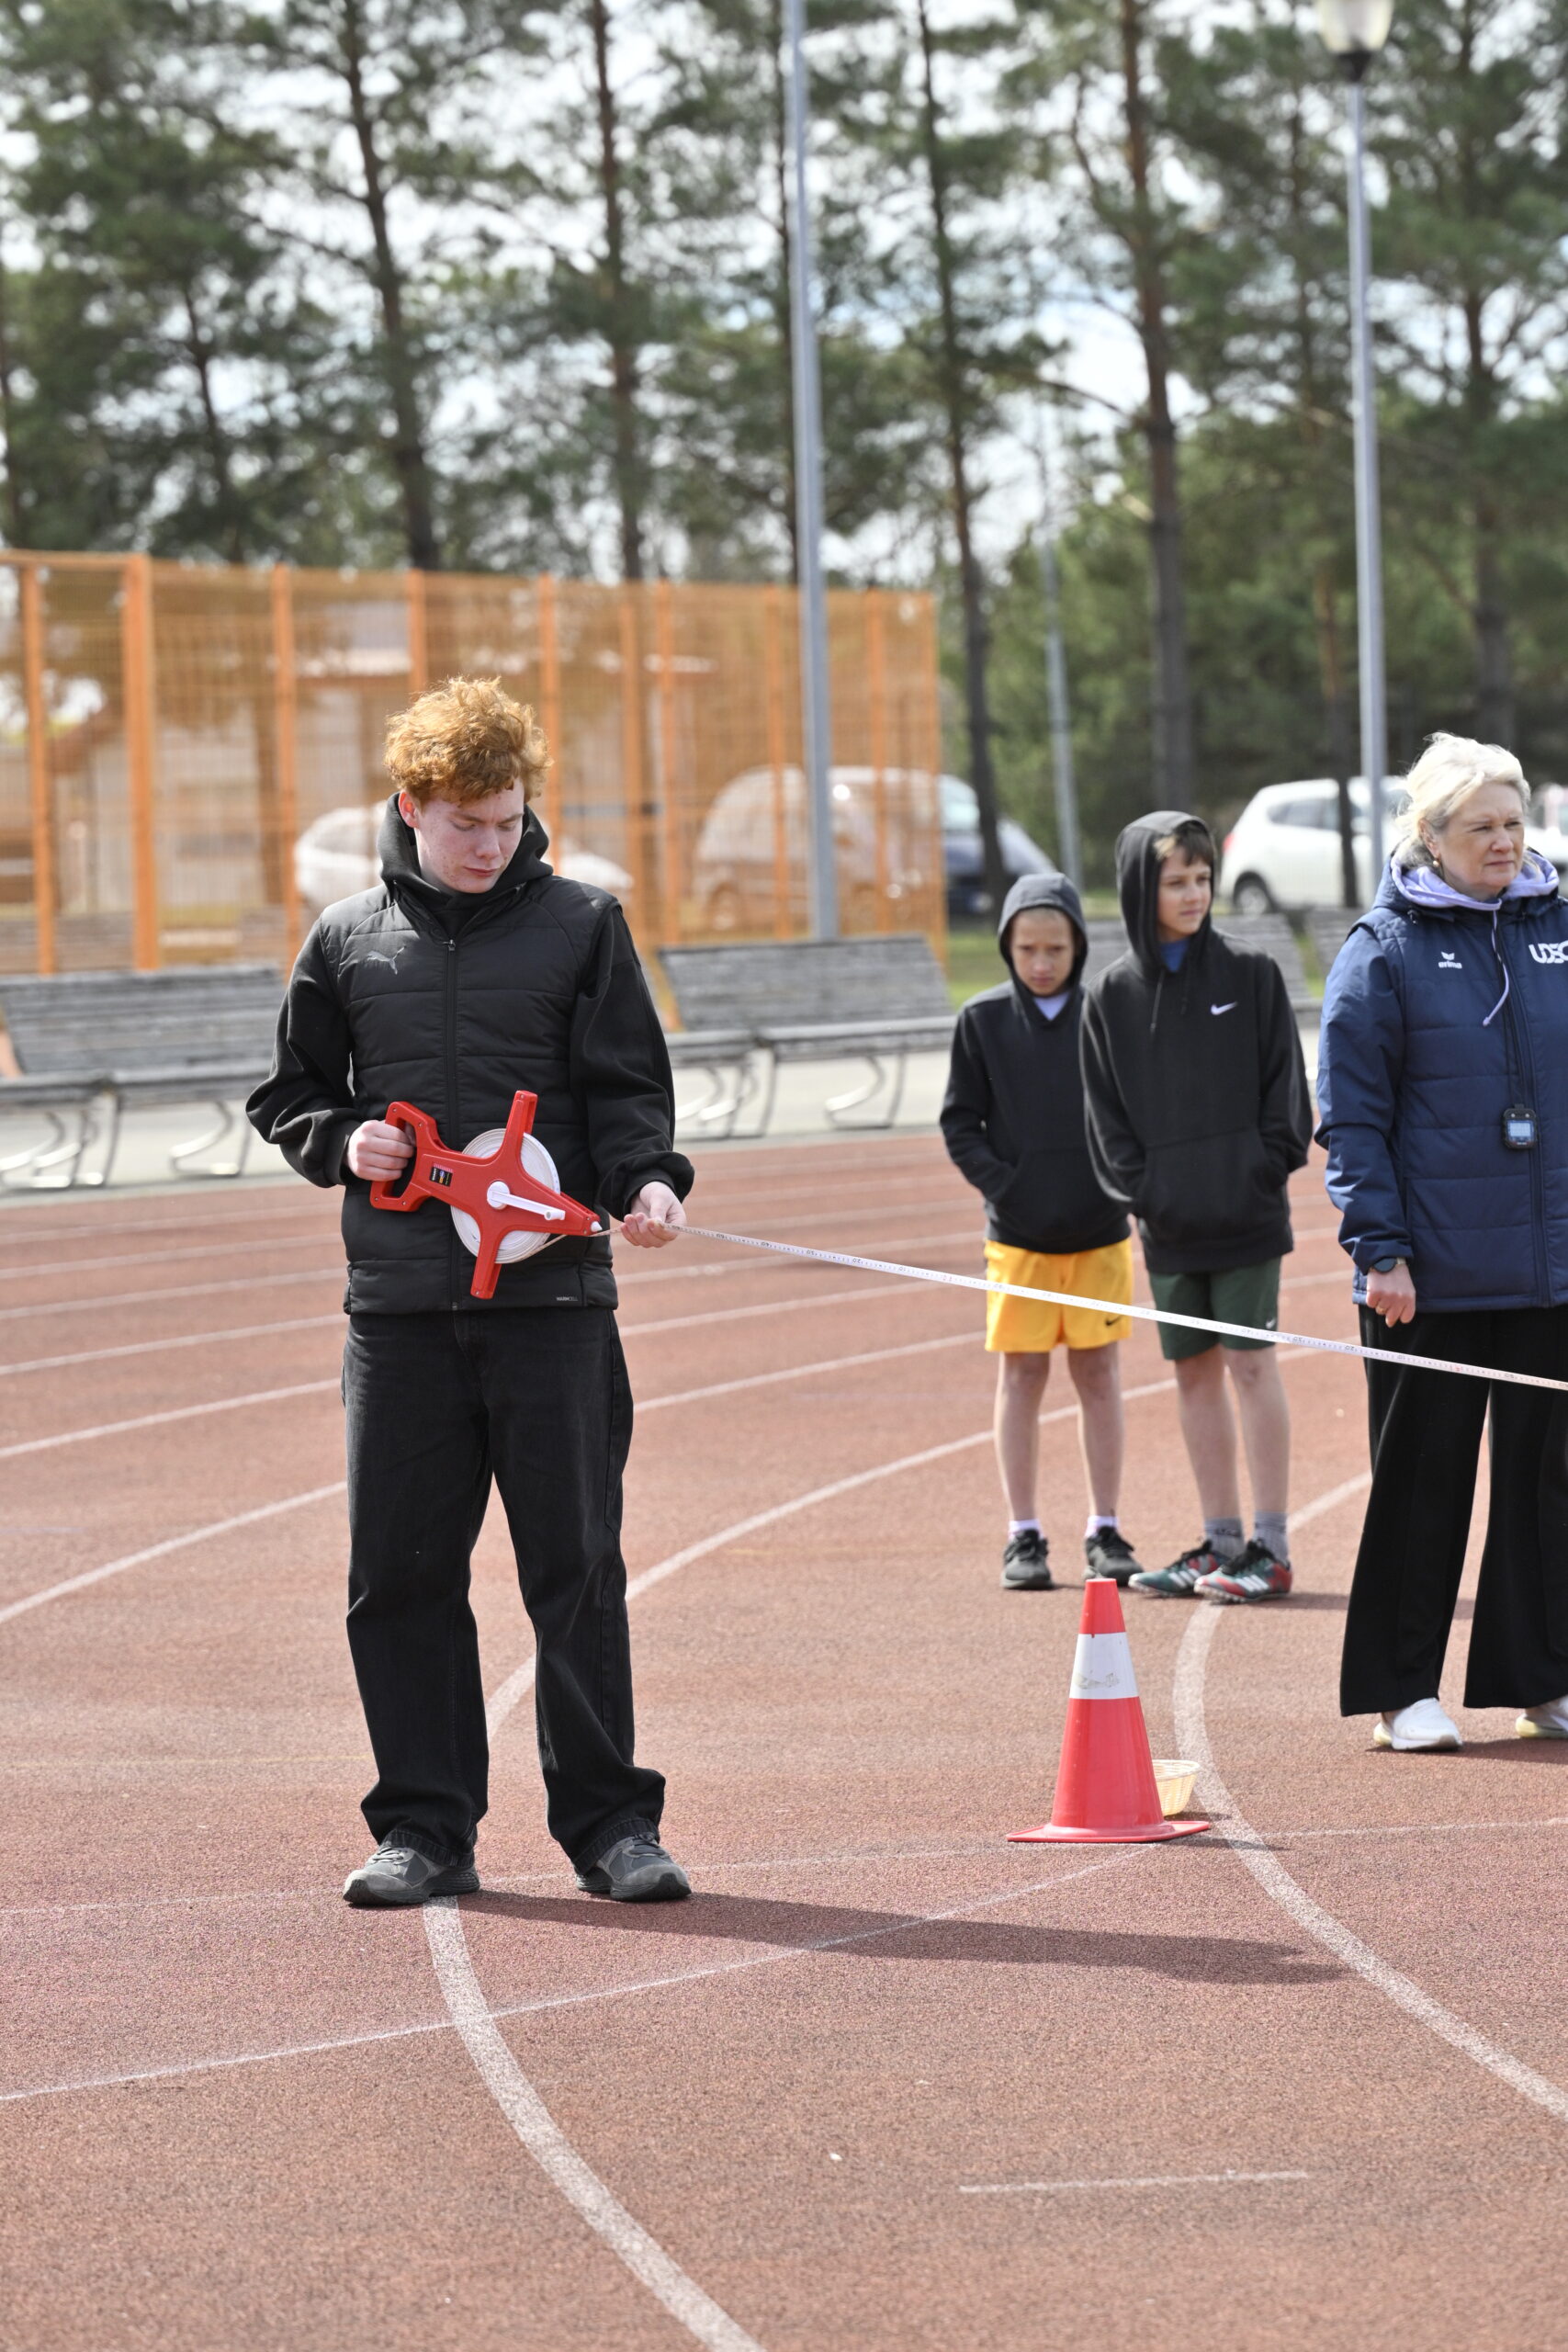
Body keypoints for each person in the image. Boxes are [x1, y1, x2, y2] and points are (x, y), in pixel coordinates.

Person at [248, 676, 694, 1905]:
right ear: (412, 807)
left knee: (575, 1570)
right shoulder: (347, 939)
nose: (491, 845)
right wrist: (340, 1139)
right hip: (398, 1316)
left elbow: (628, 1093)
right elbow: (289, 1094)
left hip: (553, 1312)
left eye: (506, 821)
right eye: (465, 825)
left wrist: (649, 1182)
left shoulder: (583, 926)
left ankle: (612, 1828)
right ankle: (424, 1830)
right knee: (397, 1578)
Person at [1315, 733, 1568, 1751]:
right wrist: (1380, 1249)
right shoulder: (1383, 951)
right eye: (1481, 827)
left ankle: (1542, 1677)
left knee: (1549, 1485)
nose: (1504, 842)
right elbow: (1352, 1116)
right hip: (1429, 1277)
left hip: (1550, 1269)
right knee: (1422, 1484)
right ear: (1430, 835)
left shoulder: (1560, 928)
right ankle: (1400, 1691)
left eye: (1514, 822)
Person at [1079, 811, 1313, 1601]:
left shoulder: (1251, 974)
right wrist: (1146, 1194)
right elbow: (1105, 1118)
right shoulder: (1110, 995)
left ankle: (1269, 1548)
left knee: (1251, 1363)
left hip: (1246, 1214)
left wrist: (1259, 1171)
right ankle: (1219, 1543)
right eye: (1175, 881)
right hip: (1170, 1223)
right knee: (1192, 1372)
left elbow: (1286, 1095)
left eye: (1202, 878)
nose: (1193, 894)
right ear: (1138, 888)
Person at [941, 873, 1143, 1592]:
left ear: (1077, 946)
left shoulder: (1105, 1014)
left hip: (1098, 1233)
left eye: (1055, 948)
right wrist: (1006, 1185)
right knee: (1021, 1375)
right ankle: (1022, 1533)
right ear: (1007, 946)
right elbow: (959, 1122)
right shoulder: (982, 1020)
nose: (1041, 962)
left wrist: (1119, 1186)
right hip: (1018, 1239)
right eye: (1026, 948)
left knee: (1098, 1374)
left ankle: (1105, 1527)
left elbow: (1134, 1113)